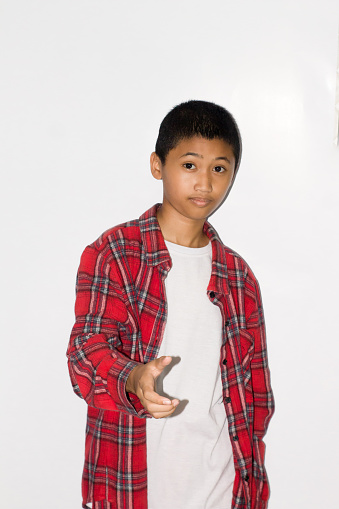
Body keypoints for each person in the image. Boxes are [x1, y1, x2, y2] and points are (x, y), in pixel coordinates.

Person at [66, 100, 275, 509]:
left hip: (220, 488)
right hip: (132, 484)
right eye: (190, 165)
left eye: (220, 168)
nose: (205, 184)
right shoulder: (116, 253)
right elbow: (85, 352)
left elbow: (257, 398)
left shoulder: (239, 277)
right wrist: (132, 378)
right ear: (158, 165)